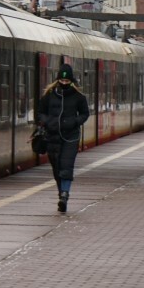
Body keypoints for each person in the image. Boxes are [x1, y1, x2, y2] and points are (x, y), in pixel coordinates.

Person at [37, 64, 90, 214]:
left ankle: (65, 195)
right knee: (57, 167)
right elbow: (40, 112)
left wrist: (74, 122)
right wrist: (48, 121)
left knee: (66, 166)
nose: (64, 83)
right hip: (52, 136)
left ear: (72, 81)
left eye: (67, 81)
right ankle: (61, 194)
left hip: (70, 137)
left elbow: (85, 114)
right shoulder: (49, 95)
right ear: (58, 80)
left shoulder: (79, 97)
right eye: (62, 80)